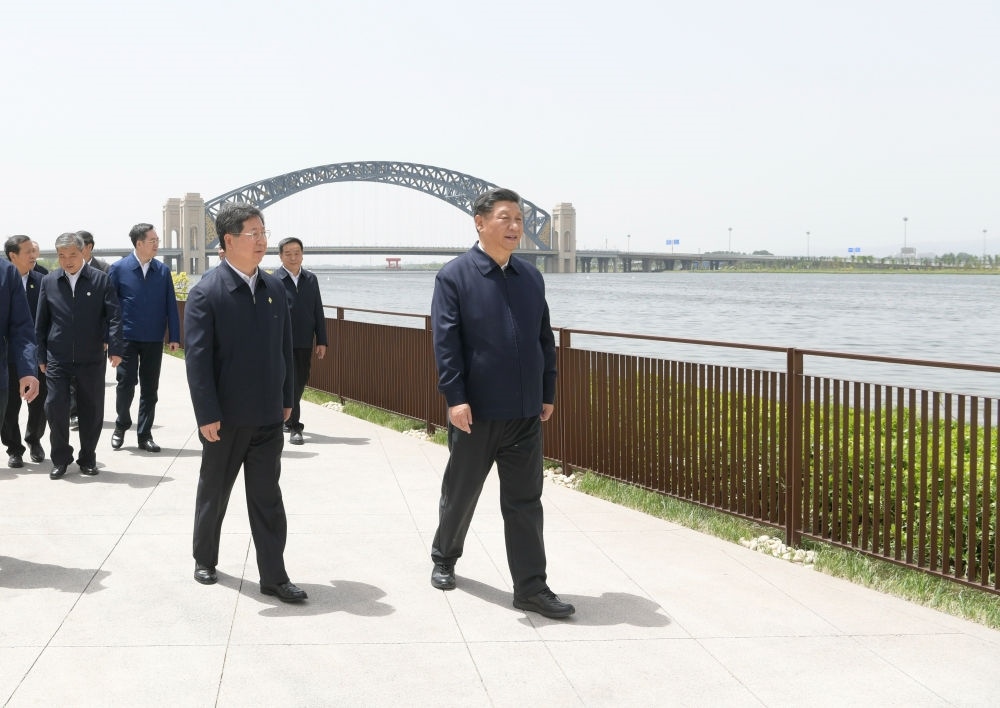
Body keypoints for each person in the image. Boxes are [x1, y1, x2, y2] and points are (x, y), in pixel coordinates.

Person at [428, 187, 574, 619]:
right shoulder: (454, 276)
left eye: (520, 220)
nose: (515, 227)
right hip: (476, 412)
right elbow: (446, 343)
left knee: (525, 502)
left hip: (525, 412)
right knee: (461, 492)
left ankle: (531, 588)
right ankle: (444, 557)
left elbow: (543, 338)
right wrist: (456, 398)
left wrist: (547, 391)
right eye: (505, 218)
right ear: (480, 222)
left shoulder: (531, 277)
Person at [184, 203, 306, 602]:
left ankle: (274, 576)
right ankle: (205, 558)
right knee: (215, 493)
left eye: (263, 232)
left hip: (268, 415)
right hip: (226, 419)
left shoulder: (274, 289)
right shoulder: (207, 292)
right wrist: (206, 414)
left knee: (268, 499)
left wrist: (286, 399)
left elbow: (284, 349)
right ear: (229, 240)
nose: (262, 240)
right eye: (253, 233)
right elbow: (198, 361)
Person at [35, 232, 122, 479]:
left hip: (91, 356)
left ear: (83, 252)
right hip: (57, 357)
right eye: (62, 256)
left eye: (72, 255)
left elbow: (114, 316)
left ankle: (88, 458)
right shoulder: (49, 281)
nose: (67, 260)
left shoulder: (101, 280)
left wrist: (115, 348)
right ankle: (61, 458)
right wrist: (40, 356)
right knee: (54, 407)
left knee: (91, 410)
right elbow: (41, 323)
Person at [108, 224, 180, 453]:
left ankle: (145, 435)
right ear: (139, 243)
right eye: (153, 240)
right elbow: (109, 307)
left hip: (153, 338)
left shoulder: (162, 270)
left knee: (150, 389)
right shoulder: (118, 269)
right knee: (126, 384)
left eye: (157, 240)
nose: (157, 244)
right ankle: (121, 424)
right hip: (126, 338)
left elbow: (171, 304)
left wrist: (174, 336)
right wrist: (110, 340)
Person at [274, 237, 327, 445]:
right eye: (288, 253)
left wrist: (322, 340)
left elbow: (318, 310)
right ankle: (295, 426)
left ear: (302, 255)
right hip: (280, 341)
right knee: (288, 382)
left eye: (297, 253)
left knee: (300, 380)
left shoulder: (311, 279)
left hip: (304, 340)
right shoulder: (273, 280)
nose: (293, 257)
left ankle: (285, 419)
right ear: (280, 256)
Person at [2, 235, 47, 466]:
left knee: (38, 403)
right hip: (7, 356)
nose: (33, 255)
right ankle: (14, 448)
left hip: (33, 354)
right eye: (28, 251)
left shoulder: (42, 280)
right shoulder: (8, 275)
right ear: (13, 255)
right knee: (10, 406)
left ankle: (34, 439)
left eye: (33, 251)